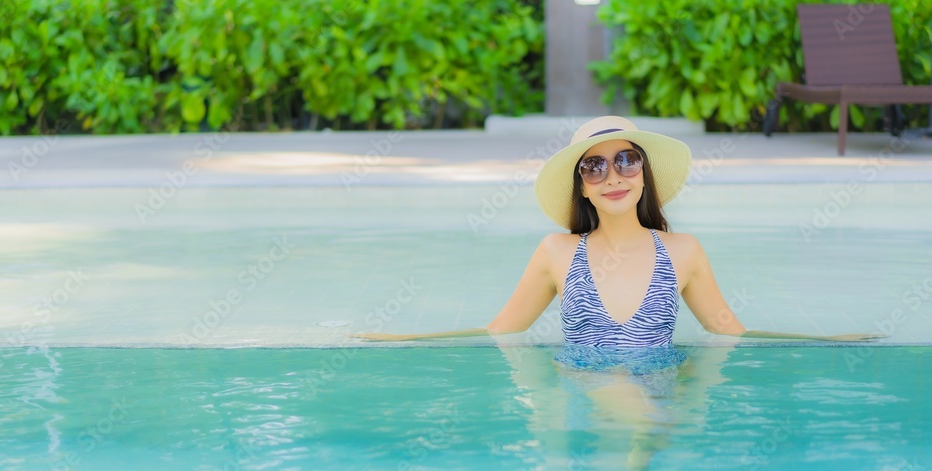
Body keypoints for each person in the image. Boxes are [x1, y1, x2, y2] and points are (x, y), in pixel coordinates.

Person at [350, 115, 881, 346]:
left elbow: (731, 334)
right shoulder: (557, 253)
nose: (613, 176)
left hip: (656, 388)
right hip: (582, 387)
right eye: (594, 166)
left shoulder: (685, 252)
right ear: (581, 187)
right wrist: (406, 337)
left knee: (635, 399)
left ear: (644, 171)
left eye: (626, 160)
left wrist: (826, 340)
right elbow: (499, 331)